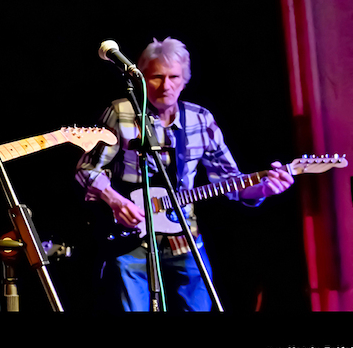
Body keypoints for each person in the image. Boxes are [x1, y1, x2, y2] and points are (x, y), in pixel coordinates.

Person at [75, 37, 294, 312]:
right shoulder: (121, 113)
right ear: (142, 78)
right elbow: (87, 169)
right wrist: (116, 201)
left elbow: (230, 182)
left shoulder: (200, 119)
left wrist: (264, 189)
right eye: (156, 77)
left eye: (174, 77)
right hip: (129, 238)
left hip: (184, 238)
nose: (165, 86)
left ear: (185, 80)